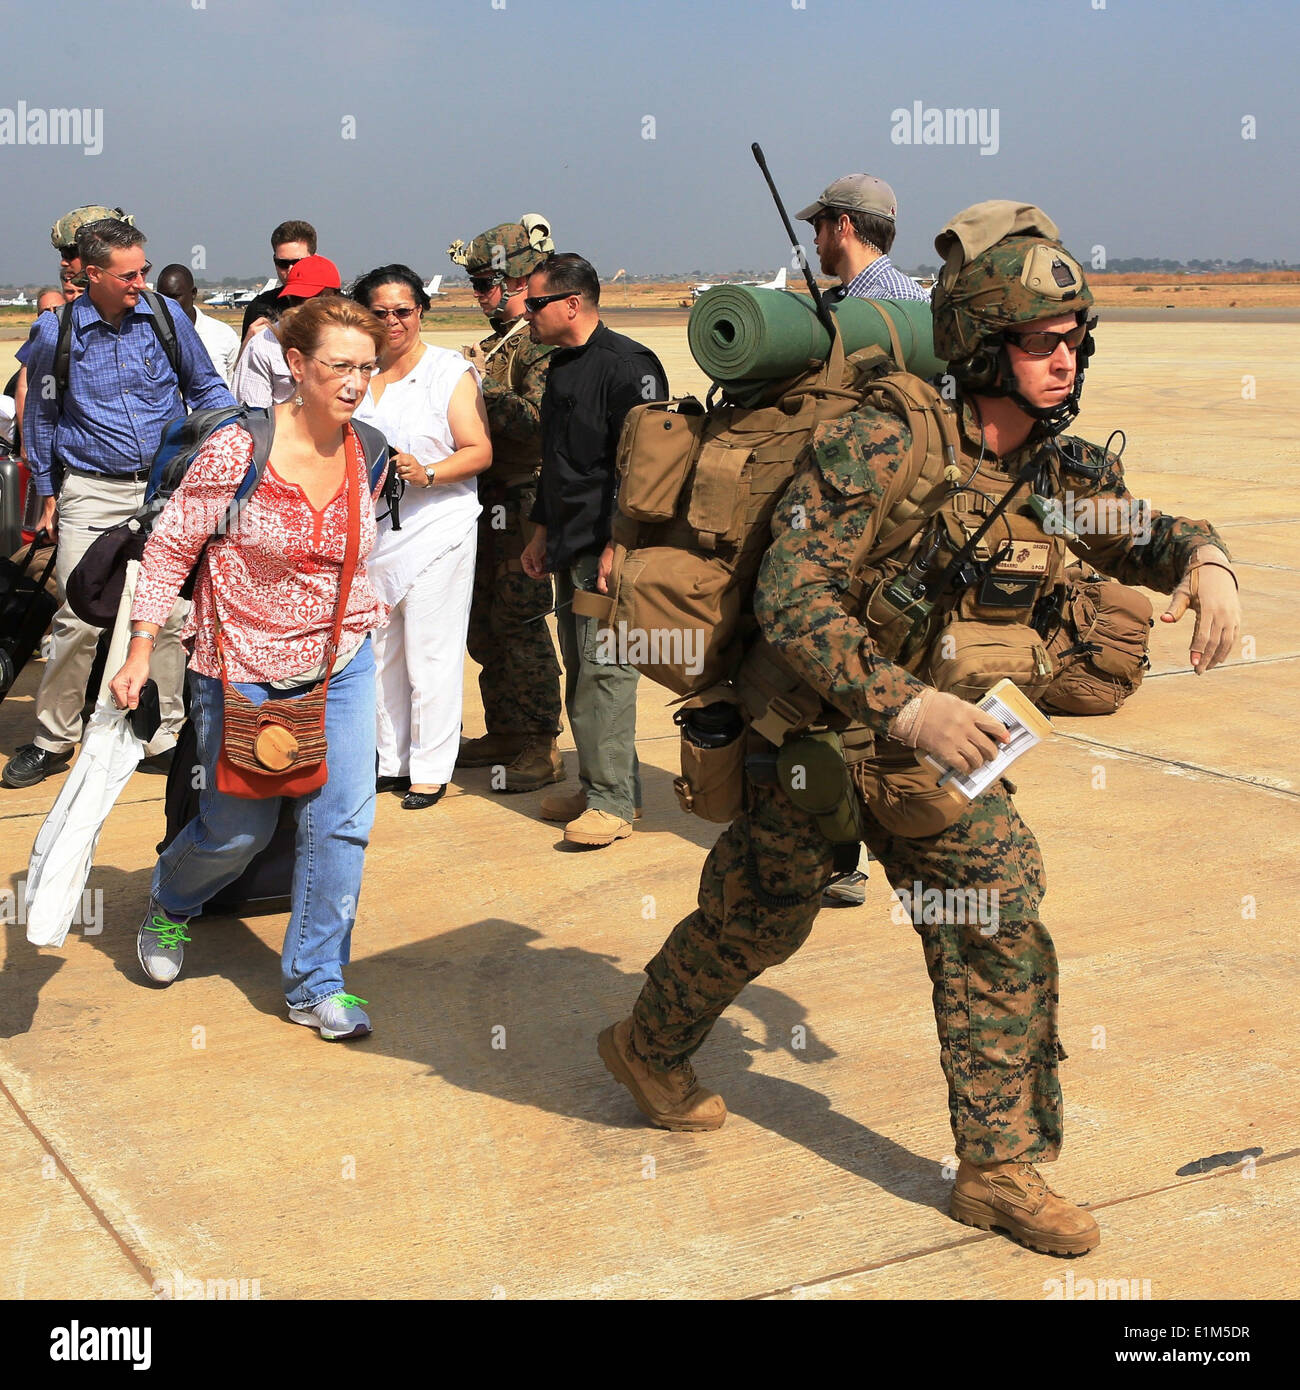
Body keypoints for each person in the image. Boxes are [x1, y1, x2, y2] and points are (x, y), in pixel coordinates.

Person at [597, 202, 1241, 1256]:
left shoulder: (1047, 465)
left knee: (993, 912)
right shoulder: (884, 438)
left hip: (935, 753)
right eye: (1040, 341)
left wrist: (1204, 561)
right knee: (756, 921)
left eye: (1074, 339)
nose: (1063, 359)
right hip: (813, 733)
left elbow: (1139, 532)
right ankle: (644, 1043)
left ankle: (996, 1170)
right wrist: (910, 702)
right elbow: (791, 600)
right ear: (986, 343)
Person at [109, 295, 391, 1040]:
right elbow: (170, 548)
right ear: (296, 366)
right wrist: (142, 647)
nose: (357, 382)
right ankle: (171, 901)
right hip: (242, 663)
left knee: (343, 825)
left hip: (341, 660)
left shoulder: (370, 447)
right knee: (239, 830)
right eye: (340, 366)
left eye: (368, 366)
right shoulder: (240, 448)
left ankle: (316, 982)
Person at [2, 218, 234, 790]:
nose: (140, 281)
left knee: (172, 616)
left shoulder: (165, 315)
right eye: (129, 273)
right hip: (91, 489)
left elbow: (206, 388)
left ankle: (165, 736)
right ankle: (54, 737)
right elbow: (42, 416)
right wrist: (51, 495)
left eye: (145, 269)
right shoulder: (56, 332)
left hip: (166, 490)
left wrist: (224, 447)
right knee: (78, 615)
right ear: (92, 273)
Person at [520, 254, 667, 847]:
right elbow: (557, 462)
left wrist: (618, 543)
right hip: (569, 544)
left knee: (607, 674)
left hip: (609, 550)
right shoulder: (560, 367)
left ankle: (612, 803)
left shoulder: (629, 366)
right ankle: (603, 786)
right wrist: (539, 530)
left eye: (535, 303)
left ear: (572, 303)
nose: (526, 314)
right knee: (581, 674)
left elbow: (648, 469)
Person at [352, 264, 492, 809]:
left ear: (421, 312)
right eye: (380, 313)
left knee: (430, 653)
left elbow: (478, 450)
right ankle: (392, 760)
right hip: (374, 538)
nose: (393, 323)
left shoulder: (447, 372)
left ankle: (430, 769)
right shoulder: (358, 373)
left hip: (439, 528)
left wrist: (427, 471)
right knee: (381, 651)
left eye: (403, 311)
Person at [449, 216, 565, 792]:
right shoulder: (501, 342)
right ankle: (505, 729)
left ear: (518, 277)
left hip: (523, 500)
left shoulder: (539, 343)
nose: (479, 295)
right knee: (485, 622)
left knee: (520, 621)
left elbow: (538, 423)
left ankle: (540, 741)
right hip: (486, 499)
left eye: (487, 283)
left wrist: (479, 384)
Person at [797, 174, 930, 303]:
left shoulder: (898, 300)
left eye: (817, 226)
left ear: (842, 226)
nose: (816, 240)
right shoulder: (846, 297)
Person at [231, 255, 341, 408]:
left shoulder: (355, 341)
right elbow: (253, 418)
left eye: (312, 299)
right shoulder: (264, 345)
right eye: (296, 299)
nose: (302, 307)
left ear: (335, 297)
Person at [156, 264, 240, 384]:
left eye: (175, 297)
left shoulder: (223, 335)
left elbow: (235, 385)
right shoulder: (150, 335)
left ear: (193, 293)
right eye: (162, 298)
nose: (168, 304)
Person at [238, 219, 317, 340]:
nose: (291, 269)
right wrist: (249, 343)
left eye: (298, 262)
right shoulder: (260, 307)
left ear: (314, 259)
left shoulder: (341, 306)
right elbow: (243, 359)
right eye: (282, 263)